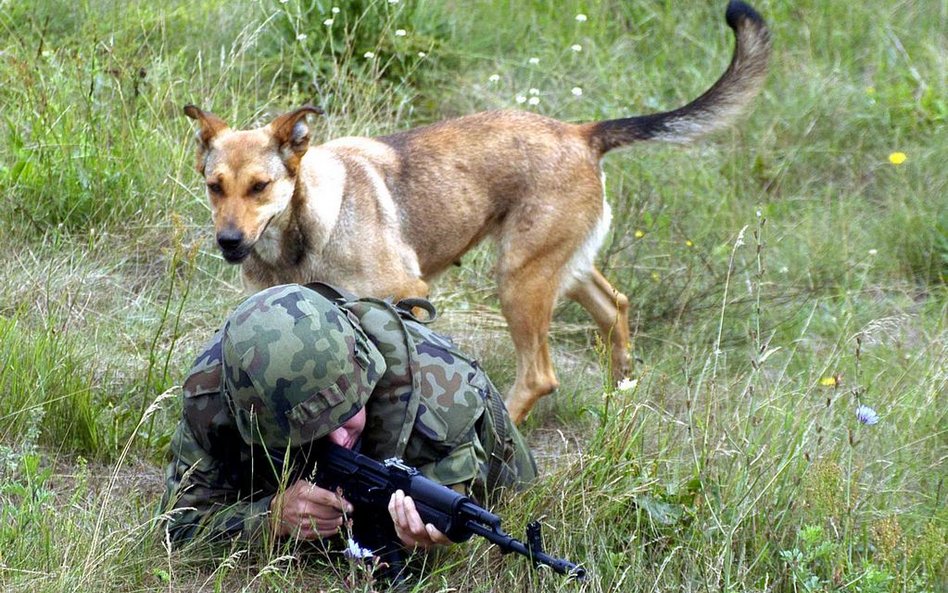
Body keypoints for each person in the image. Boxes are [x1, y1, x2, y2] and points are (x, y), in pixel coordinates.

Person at [161, 283, 537, 554]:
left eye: (346, 415)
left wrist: (422, 540)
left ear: (367, 377)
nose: (340, 439)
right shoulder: (218, 393)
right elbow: (176, 526)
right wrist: (269, 517)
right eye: (312, 431)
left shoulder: (441, 394)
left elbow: (478, 508)